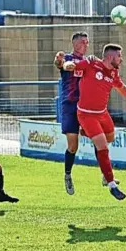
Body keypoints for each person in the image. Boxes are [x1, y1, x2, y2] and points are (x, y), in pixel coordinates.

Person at [62, 43, 126, 200]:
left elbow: (122, 88)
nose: (121, 59)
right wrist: (67, 64)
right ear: (110, 57)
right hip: (87, 115)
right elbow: (73, 65)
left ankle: (88, 134)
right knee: (102, 145)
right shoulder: (91, 63)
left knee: (110, 138)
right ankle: (111, 183)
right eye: (119, 56)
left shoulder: (113, 73)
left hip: (102, 114)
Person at [53, 31, 88, 195]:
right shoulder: (67, 58)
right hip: (70, 105)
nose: (86, 45)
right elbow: (60, 64)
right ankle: (67, 174)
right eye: (83, 42)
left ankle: (107, 177)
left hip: (87, 106)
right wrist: (59, 61)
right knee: (73, 145)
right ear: (75, 44)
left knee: (98, 137)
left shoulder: (89, 62)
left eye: (87, 42)